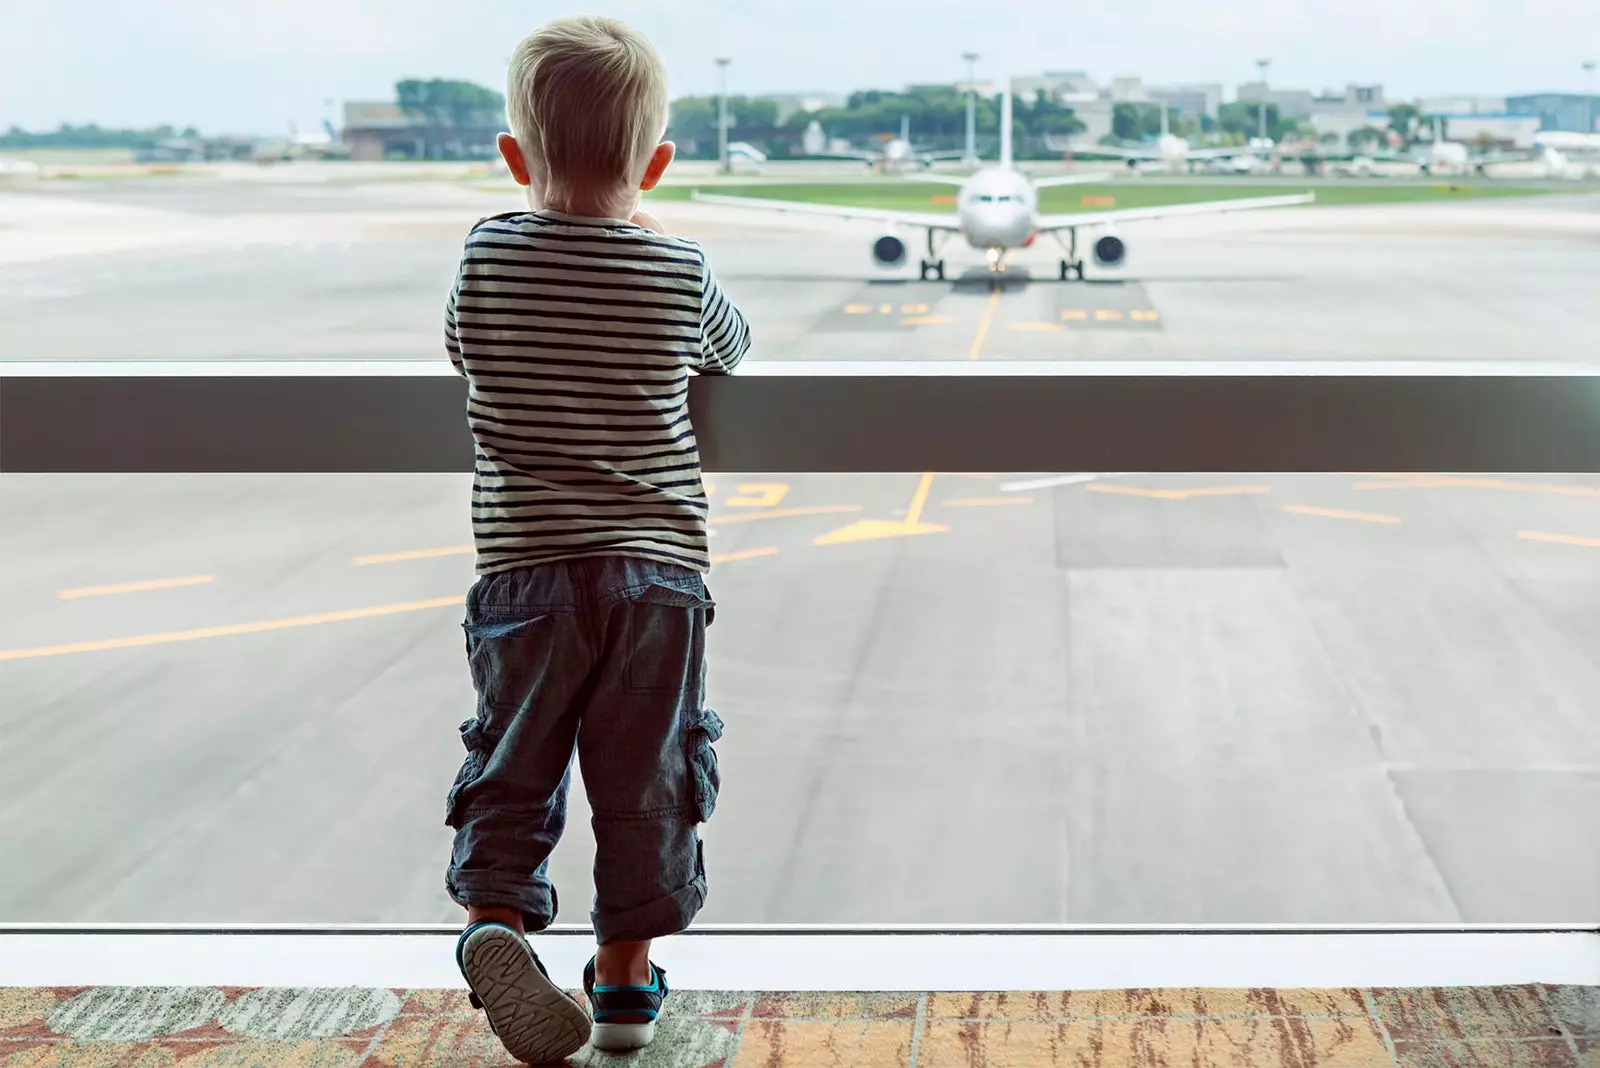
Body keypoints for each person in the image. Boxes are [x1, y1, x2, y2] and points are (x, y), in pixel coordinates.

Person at [440, 15, 750, 1064]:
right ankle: (623, 978)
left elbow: (459, 341)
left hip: (523, 567)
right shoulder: (677, 268)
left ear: (513, 158)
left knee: (514, 759)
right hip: (655, 572)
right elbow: (732, 349)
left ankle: (498, 920)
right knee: (646, 772)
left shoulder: (487, 252)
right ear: (656, 163)